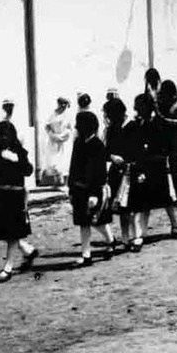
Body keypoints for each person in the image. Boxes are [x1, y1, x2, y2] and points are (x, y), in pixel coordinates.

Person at [0, 121, 38, 283]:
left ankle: (8, 266)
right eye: (0, 135)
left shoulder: (19, 151)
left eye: (6, 135)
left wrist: (16, 160)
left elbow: (28, 170)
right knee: (5, 231)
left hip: (14, 196)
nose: (3, 138)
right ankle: (28, 250)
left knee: (12, 232)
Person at [125, 94, 177, 250]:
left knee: (164, 197)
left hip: (158, 163)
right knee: (145, 197)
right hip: (145, 163)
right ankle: (142, 231)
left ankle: (174, 223)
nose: (138, 110)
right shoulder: (138, 124)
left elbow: (165, 143)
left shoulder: (158, 123)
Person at [68, 111, 118, 266]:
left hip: (92, 190)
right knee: (85, 222)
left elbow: (100, 172)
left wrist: (95, 193)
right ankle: (88, 253)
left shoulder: (97, 145)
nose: (76, 127)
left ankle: (107, 243)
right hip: (79, 189)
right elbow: (73, 167)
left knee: (95, 221)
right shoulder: (78, 143)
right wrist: (71, 188)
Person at [103, 97, 136, 249]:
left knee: (130, 207)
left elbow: (138, 150)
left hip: (131, 170)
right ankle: (124, 238)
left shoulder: (132, 126)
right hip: (116, 172)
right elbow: (105, 151)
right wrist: (111, 157)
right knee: (120, 206)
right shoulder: (111, 129)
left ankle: (132, 236)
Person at [156, 80, 177, 204]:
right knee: (166, 166)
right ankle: (169, 194)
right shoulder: (162, 102)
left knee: (173, 166)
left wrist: (164, 120)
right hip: (166, 137)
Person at [43, 97, 73, 188]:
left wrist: (64, 136)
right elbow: (47, 126)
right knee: (54, 162)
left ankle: (64, 183)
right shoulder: (52, 115)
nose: (63, 106)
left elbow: (70, 128)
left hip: (64, 141)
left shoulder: (68, 116)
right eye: (61, 104)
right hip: (54, 140)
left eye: (65, 104)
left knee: (64, 161)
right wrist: (52, 135)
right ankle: (57, 182)